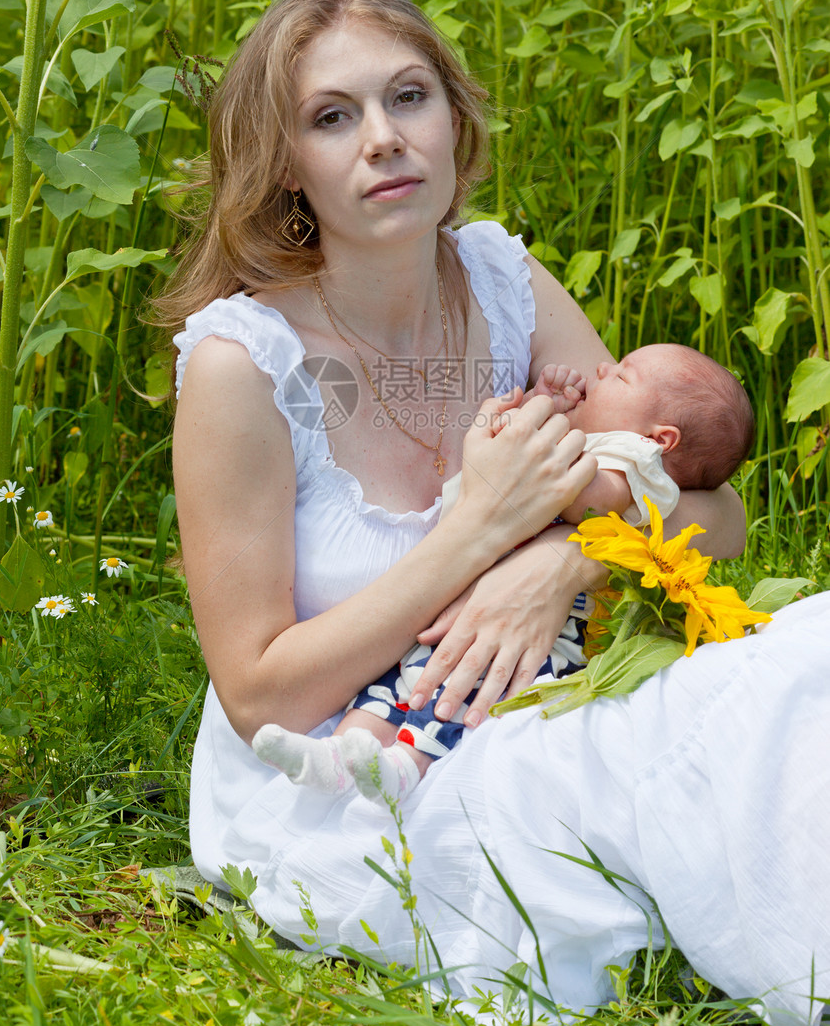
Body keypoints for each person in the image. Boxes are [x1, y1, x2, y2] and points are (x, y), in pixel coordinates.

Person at [163, 0, 830, 1026]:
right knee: (695, 749)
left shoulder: (502, 280)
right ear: (284, 165)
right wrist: (476, 532)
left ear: (453, 118)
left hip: (537, 703)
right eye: (334, 117)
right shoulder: (245, 367)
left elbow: (711, 516)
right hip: (350, 780)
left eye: (408, 96)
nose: (384, 138)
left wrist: (564, 559)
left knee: (810, 651)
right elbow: (258, 698)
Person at [251, 343, 754, 802]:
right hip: (464, 598)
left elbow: (591, 502)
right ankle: (342, 752)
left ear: (660, 438)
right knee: (395, 677)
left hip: (539, 630)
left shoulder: (634, 461)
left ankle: (407, 766)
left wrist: (528, 462)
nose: (602, 366)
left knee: (457, 686)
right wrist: (531, 413)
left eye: (621, 376)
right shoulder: (596, 438)